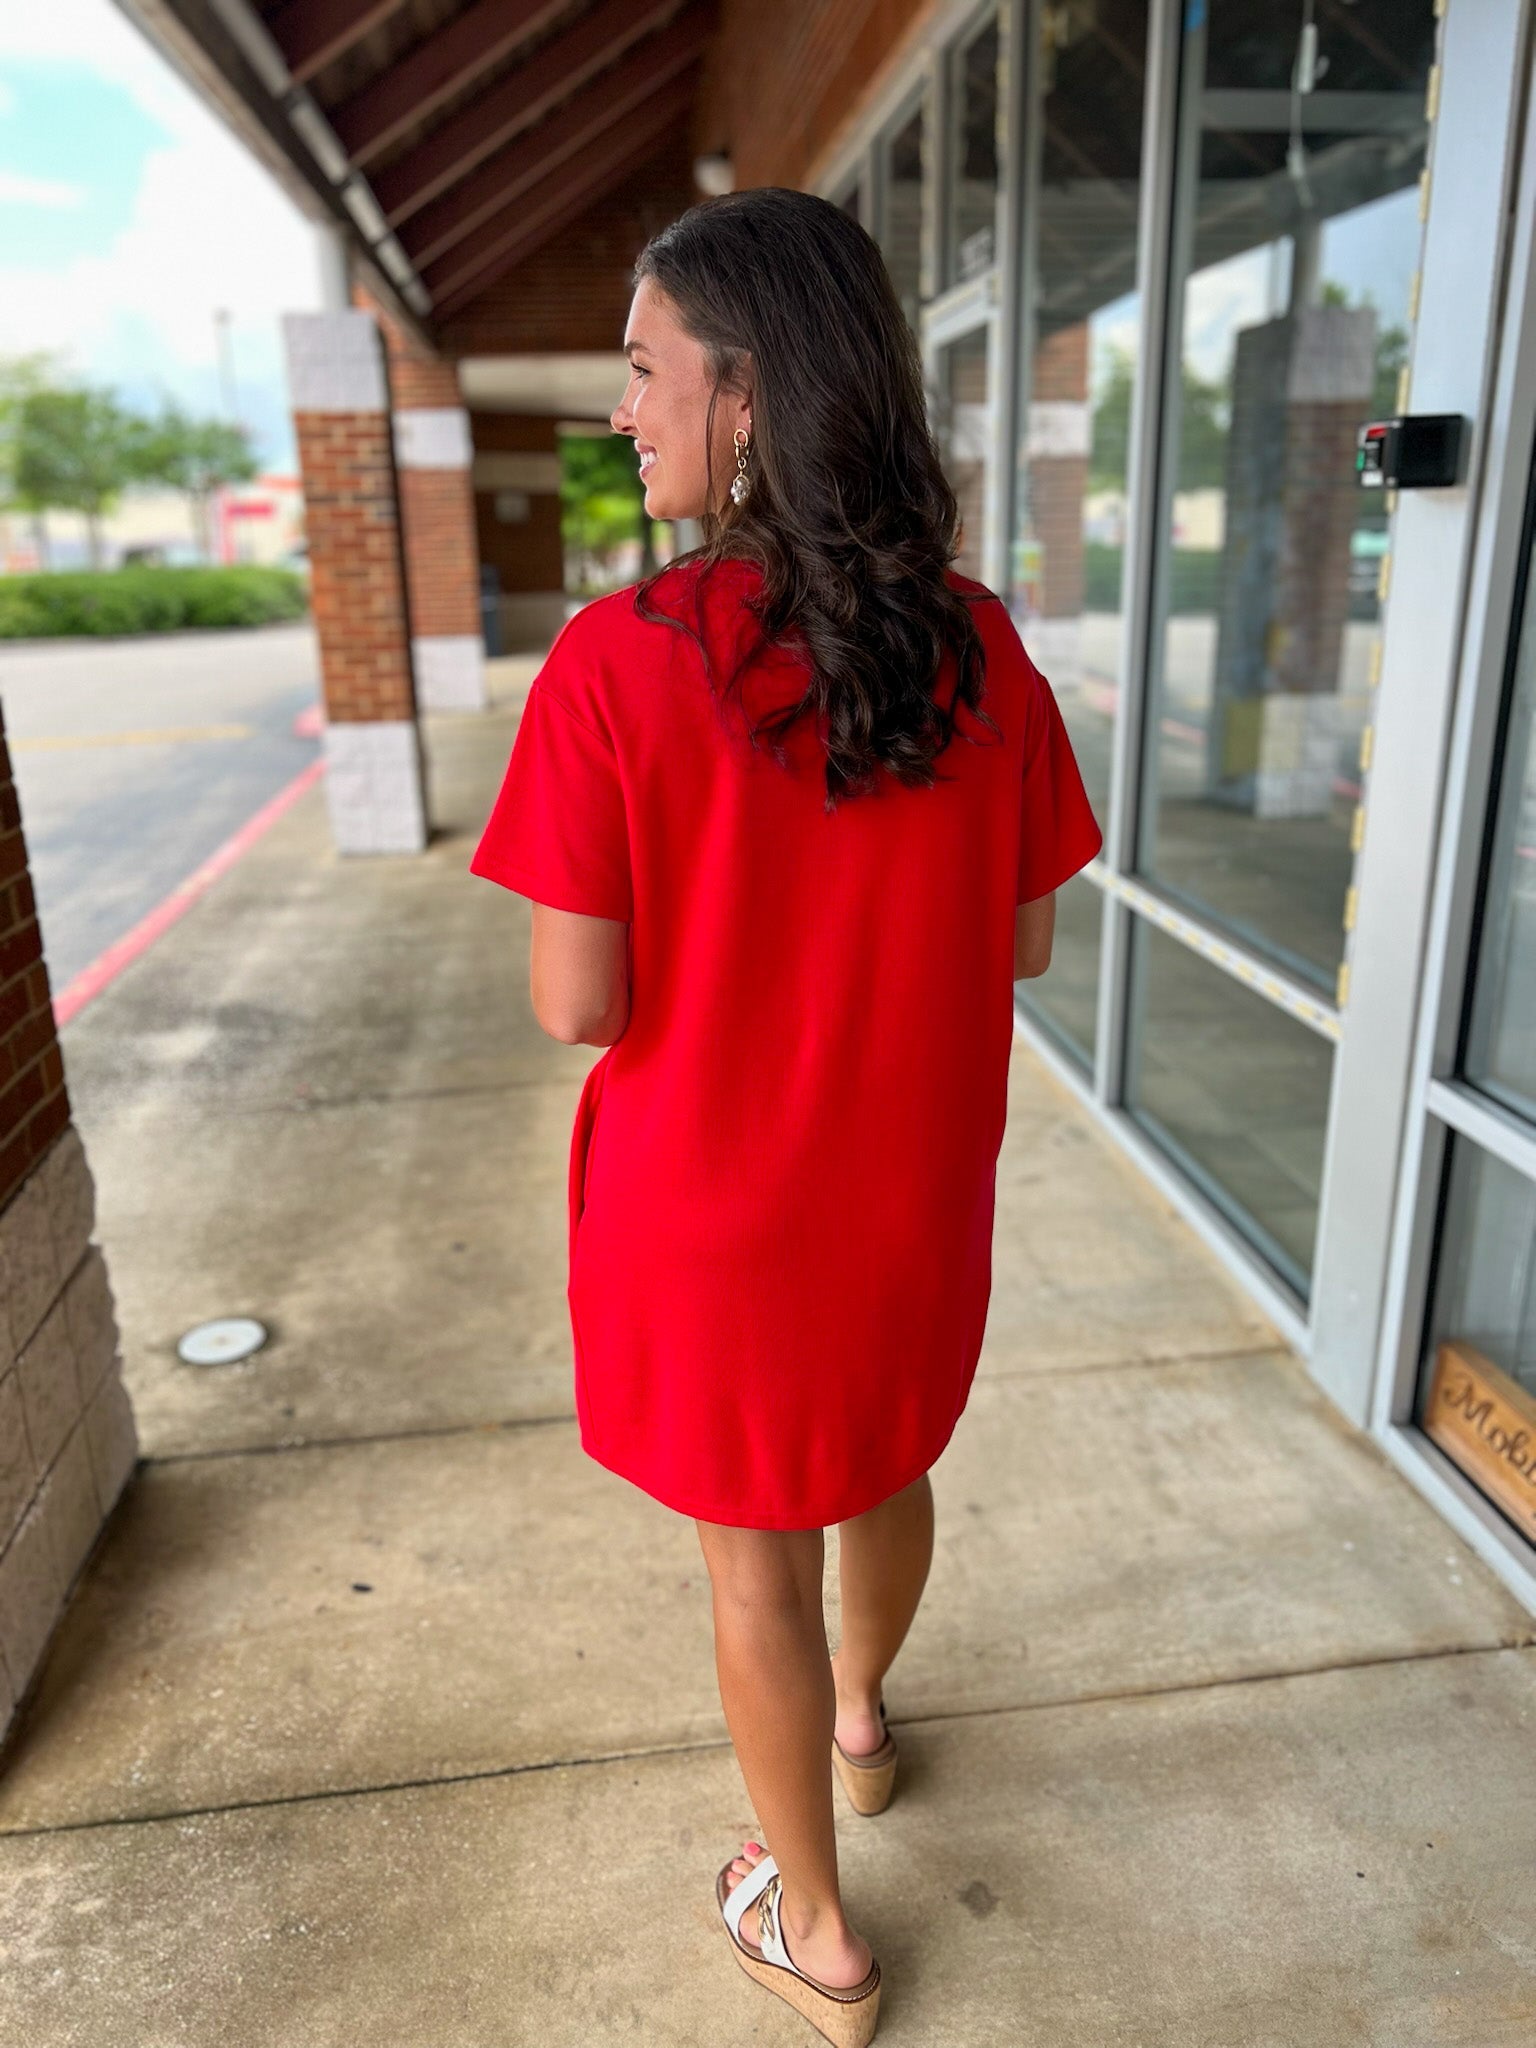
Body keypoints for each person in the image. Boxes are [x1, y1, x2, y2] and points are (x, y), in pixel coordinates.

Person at [468, 186, 1102, 2048]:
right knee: (888, 1464)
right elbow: (1032, 940)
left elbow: (579, 1003)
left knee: (755, 1552)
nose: (623, 411)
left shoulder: (617, 663)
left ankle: (815, 1931)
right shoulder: (974, 644)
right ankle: (860, 1720)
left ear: (747, 392)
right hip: (904, 1192)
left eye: (646, 370)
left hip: (715, 1208)